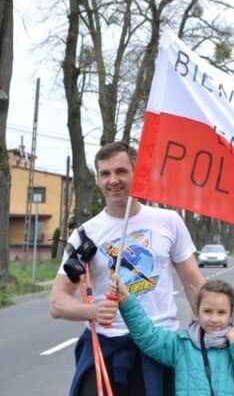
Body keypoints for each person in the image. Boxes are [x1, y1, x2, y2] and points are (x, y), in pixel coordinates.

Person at [49, 141, 206, 396]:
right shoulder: (84, 235)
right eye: (105, 173)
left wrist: (211, 336)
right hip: (105, 348)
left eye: (121, 171)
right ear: (98, 179)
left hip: (159, 345)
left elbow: (194, 284)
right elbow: (57, 302)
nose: (113, 180)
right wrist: (93, 311)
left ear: (136, 173)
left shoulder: (168, 222)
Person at [110, 276, 234, 395]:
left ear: (232, 313)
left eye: (221, 312)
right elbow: (148, 336)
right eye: (207, 311)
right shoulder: (181, 345)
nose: (214, 319)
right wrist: (126, 300)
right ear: (197, 311)